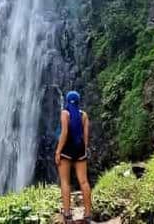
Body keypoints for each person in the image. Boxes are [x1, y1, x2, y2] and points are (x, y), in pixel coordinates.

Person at [55, 91, 92, 223]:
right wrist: (84, 149)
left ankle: (67, 214)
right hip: (80, 149)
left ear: (67, 100)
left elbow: (64, 132)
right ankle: (87, 214)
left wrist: (58, 151)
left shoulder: (65, 113)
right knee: (84, 181)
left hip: (67, 149)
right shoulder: (84, 115)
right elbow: (86, 135)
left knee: (65, 181)